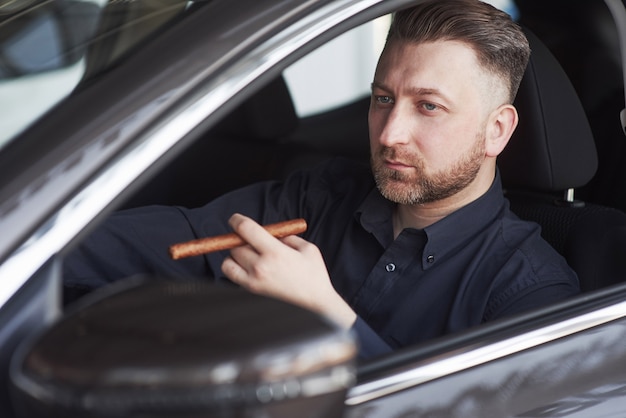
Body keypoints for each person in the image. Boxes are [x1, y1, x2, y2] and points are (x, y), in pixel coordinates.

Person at [64, 0, 579, 359]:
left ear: (497, 130)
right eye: (383, 99)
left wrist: (330, 316)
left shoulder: (532, 294)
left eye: (428, 106)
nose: (390, 132)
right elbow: (171, 242)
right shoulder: (320, 196)